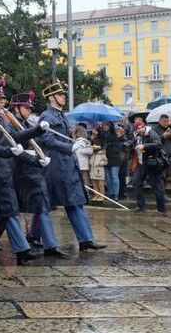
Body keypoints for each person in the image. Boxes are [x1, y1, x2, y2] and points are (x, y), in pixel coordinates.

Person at [0, 91, 68, 259]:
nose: (29, 110)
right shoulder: (9, 124)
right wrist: (37, 130)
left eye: (30, 107)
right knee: (16, 208)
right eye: (26, 107)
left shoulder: (23, 123)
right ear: (17, 109)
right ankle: (46, 245)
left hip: (28, 168)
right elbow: (15, 140)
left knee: (31, 207)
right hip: (16, 170)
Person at [0, 79, 48, 265]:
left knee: (8, 211)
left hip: (5, 171)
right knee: (7, 211)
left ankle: (18, 248)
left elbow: (14, 137)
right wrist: (8, 151)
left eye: (2, 98)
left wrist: (37, 131)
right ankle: (21, 249)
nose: (2, 101)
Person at [38, 81, 106, 251]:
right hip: (56, 167)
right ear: (52, 98)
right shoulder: (47, 116)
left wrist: (77, 142)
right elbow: (46, 139)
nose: (63, 98)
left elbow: (63, 137)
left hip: (67, 165)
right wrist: (70, 147)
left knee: (75, 202)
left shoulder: (61, 116)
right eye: (60, 95)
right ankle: (44, 242)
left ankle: (86, 240)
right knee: (45, 206)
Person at [129, 119, 167, 215]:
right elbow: (133, 145)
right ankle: (141, 206)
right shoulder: (136, 136)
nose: (140, 129)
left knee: (157, 187)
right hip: (141, 164)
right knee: (136, 182)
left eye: (141, 127)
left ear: (144, 126)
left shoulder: (151, 133)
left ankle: (162, 210)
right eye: (138, 128)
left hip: (152, 164)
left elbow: (158, 144)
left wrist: (144, 146)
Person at [103, 121, 123, 200]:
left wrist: (106, 146)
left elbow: (115, 145)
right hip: (106, 158)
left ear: (109, 126)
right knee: (108, 177)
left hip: (114, 158)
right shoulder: (104, 135)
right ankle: (111, 193)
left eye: (105, 126)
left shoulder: (114, 135)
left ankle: (116, 194)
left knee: (114, 177)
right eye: (103, 125)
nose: (104, 127)